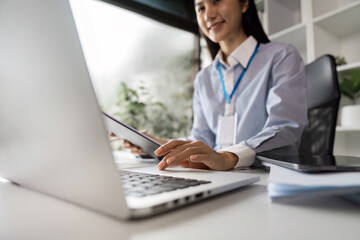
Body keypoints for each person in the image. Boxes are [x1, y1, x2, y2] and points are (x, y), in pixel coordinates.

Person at [124, 0, 307, 171]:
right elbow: (201, 139)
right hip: (219, 177)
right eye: (201, 7)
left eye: (217, 0)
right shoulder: (203, 78)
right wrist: (159, 144)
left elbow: (285, 126)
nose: (208, 14)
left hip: (268, 176)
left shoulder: (281, 57)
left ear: (244, 3)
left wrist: (230, 157)